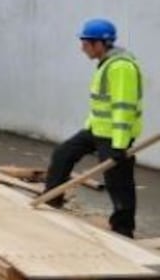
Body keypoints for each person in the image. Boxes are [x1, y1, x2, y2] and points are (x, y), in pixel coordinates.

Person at [45, 18, 142, 238]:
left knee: (118, 181)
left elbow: (123, 108)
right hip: (97, 130)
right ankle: (51, 201)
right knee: (63, 153)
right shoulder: (106, 63)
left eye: (86, 43)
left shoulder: (121, 67)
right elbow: (102, 104)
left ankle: (123, 228)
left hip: (115, 135)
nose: (82, 49)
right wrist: (88, 127)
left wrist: (119, 145)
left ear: (100, 44)